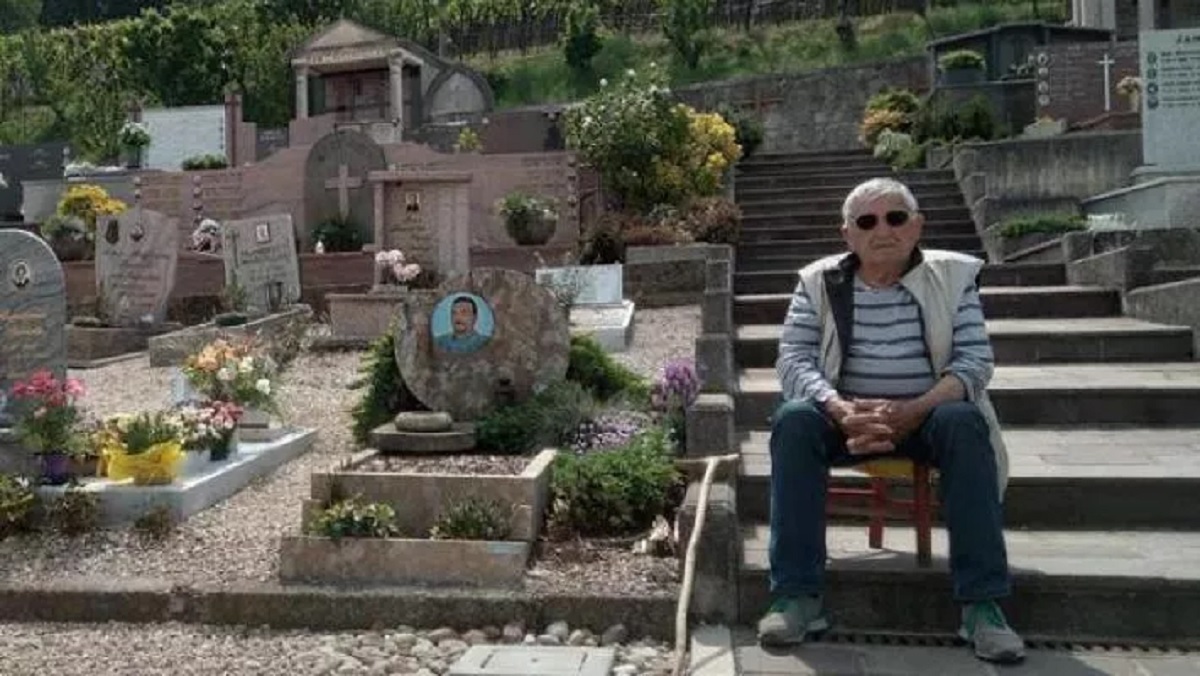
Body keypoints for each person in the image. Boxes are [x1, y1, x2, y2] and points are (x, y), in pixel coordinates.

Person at [758, 177, 1025, 664]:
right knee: (794, 421)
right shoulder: (819, 281)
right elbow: (793, 359)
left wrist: (914, 409)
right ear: (849, 235)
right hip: (846, 415)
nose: (883, 229)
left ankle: (983, 606)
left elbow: (974, 363)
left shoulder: (954, 278)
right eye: (867, 221)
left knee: (966, 423)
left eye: (896, 217)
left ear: (917, 225)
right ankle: (797, 597)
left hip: (927, 415)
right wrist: (839, 408)